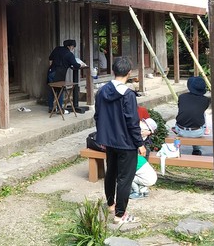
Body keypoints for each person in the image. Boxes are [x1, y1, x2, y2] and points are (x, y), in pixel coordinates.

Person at [94, 56, 146, 224]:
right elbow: (132, 121)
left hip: (109, 141)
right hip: (126, 143)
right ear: (129, 73)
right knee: (124, 178)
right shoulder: (127, 94)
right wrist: (140, 143)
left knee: (111, 173)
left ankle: (111, 204)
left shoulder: (101, 91)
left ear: (113, 70)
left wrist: (103, 135)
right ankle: (120, 215)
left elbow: (97, 116)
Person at [173, 76, 210, 155]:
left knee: (186, 116)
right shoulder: (206, 100)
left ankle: (176, 148)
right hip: (197, 132)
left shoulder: (182, 97)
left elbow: (181, 108)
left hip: (181, 130)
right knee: (202, 114)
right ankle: (196, 149)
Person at [47, 39, 82, 113]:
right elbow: (75, 64)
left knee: (51, 90)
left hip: (51, 71)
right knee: (60, 90)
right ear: (70, 46)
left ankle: (51, 108)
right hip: (59, 74)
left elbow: (50, 58)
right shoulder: (69, 54)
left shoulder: (57, 49)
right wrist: (81, 65)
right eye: (73, 47)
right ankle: (59, 108)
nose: (73, 48)